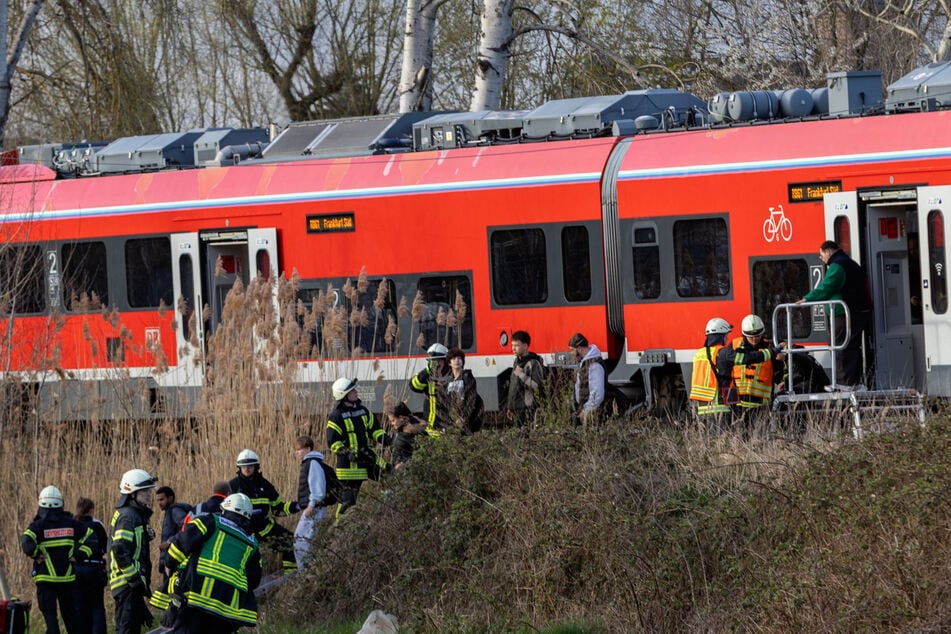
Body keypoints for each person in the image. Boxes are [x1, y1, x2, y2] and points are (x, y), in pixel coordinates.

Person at [163, 493, 261, 633]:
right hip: (227, 608)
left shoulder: (210, 521)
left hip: (196, 597)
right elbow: (254, 579)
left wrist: (169, 564)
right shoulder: (252, 543)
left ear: (224, 510)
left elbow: (183, 542)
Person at [21, 485, 98, 634]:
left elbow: (26, 542)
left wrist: (36, 554)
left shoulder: (37, 525)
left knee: (51, 621)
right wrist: (79, 555)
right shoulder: (71, 523)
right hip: (67, 580)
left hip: (45, 580)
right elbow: (92, 538)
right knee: (71, 621)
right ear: (61, 503)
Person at [797, 240, 872, 389]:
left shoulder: (837, 266)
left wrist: (807, 298)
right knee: (851, 347)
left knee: (839, 347)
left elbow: (826, 287)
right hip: (858, 312)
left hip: (844, 314)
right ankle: (854, 382)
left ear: (828, 252)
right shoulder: (850, 263)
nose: (822, 259)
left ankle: (843, 383)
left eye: (821, 255)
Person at [690, 318, 783, 428]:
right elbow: (748, 358)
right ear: (721, 336)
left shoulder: (699, 354)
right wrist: (773, 352)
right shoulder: (723, 353)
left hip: (701, 406)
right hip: (719, 405)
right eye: (726, 336)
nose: (727, 338)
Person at [229, 449, 299, 574]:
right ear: (239, 467)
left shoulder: (265, 485)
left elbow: (278, 509)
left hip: (265, 529)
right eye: (243, 466)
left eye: (250, 465)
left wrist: (298, 506)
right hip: (243, 532)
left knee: (289, 541)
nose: (247, 469)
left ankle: (290, 577)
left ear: (256, 466)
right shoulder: (233, 486)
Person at [327, 377, 389, 509]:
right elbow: (332, 443)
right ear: (344, 396)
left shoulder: (363, 410)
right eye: (352, 391)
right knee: (348, 503)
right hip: (348, 467)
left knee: (388, 476)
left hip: (367, 457)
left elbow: (375, 429)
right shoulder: (336, 416)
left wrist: (386, 439)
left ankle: (387, 508)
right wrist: (347, 453)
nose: (356, 392)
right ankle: (339, 528)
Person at [109, 468, 158, 634]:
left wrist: (145, 535)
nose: (149, 495)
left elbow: (130, 544)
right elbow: (120, 550)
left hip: (130, 585)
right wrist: (134, 578)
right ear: (131, 493)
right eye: (144, 491)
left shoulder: (134, 515)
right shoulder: (129, 516)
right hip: (126, 583)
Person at [730, 314, 786, 428]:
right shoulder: (733, 346)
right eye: (751, 337)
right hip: (737, 405)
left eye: (757, 336)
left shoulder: (770, 347)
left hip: (760, 406)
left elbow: (779, 371)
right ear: (744, 334)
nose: (754, 339)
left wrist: (783, 381)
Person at [151, 486, 193, 611]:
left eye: (162, 499)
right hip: (171, 560)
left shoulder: (174, 510)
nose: (159, 503)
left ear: (171, 498)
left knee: (173, 595)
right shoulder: (170, 512)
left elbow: (186, 527)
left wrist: (169, 542)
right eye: (158, 500)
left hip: (174, 560)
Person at [74, 497, 108, 634]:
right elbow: (105, 547)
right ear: (92, 510)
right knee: (97, 606)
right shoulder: (97, 525)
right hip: (95, 569)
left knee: (80, 606)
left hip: (76, 569)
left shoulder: (72, 525)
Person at [293, 435, 328, 569]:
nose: (297, 453)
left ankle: (305, 572)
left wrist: (311, 505)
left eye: (299, 450)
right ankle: (308, 570)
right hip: (313, 507)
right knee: (304, 540)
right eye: (296, 450)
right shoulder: (309, 463)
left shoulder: (312, 463)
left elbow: (318, 488)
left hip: (314, 508)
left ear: (308, 449)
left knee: (301, 540)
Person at [410, 343, 452, 435]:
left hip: (447, 428)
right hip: (431, 427)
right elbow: (413, 386)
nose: (435, 364)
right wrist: (427, 371)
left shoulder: (453, 376)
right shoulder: (428, 376)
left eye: (438, 361)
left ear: (445, 361)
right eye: (432, 361)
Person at [505, 330, 545, 427]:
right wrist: (510, 407)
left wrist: (522, 375)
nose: (513, 348)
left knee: (525, 436)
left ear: (526, 346)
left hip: (527, 407)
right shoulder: (517, 362)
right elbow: (513, 387)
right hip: (517, 408)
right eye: (512, 345)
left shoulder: (533, 363)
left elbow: (536, 385)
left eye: (517, 345)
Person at [568, 333, 605, 425]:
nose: (571, 353)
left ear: (579, 349)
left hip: (593, 415)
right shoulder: (584, 363)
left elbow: (597, 394)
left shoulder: (594, 366)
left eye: (572, 350)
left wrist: (586, 412)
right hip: (586, 413)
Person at [446, 347, 484, 434]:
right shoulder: (448, 380)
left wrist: (464, 418)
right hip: (455, 419)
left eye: (459, 358)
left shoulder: (468, 377)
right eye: (454, 358)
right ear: (449, 363)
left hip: (468, 419)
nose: (457, 360)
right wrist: (453, 418)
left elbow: (471, 399)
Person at [386, 402, 428, 469]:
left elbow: (419, 454)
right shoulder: (401, 430)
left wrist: (403, 464)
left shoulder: (411, 433)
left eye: (393, 420)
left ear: (401, 418)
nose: (392, 424)